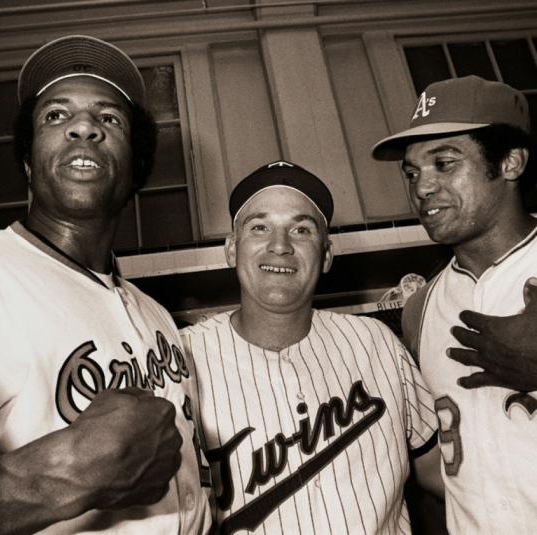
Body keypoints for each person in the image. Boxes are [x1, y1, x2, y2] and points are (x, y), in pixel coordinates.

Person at [0, 35, 211, 534]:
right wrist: (64, 475)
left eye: (109, 118)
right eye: (55, 115)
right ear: (28, 163)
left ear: (135, 167)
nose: (84, 127)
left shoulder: (155, 314)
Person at [181, 160, 442, 535]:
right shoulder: (182, 357)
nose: (280, 246)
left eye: (301, 229)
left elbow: (440, 474)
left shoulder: (376, 343)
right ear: (231, 248)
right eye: (259, 227)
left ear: (326, 254)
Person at [372, 75, 537, 533]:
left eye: (444, 163)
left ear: (510, 162)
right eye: (412, 172)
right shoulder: (419, 309)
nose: (422, 187)